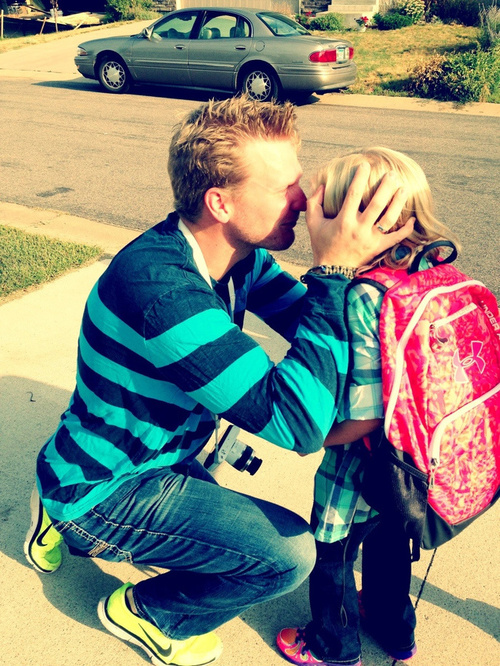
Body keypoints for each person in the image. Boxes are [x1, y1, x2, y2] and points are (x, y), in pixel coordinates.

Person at [24, 99, 413, 666]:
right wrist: (332, 271)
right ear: (220, 202)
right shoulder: (162, 292)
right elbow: (297, 425)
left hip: (159, 456)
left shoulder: (238, 259)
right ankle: (147, 612)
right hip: (109, 485)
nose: (303, 200)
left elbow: (317, 331)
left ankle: (59, 495)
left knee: (234, 537)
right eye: (284, 187)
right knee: (287, 555)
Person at [277, 146, 461, 666]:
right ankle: (396, 631)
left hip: (359, 465)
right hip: (412, 461)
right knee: (389, 545)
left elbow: (365, 413)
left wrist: (312, 435)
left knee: (333, 551)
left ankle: (332, 645)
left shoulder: (363, 295)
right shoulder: (434, 271)